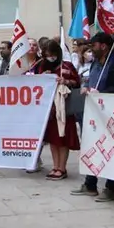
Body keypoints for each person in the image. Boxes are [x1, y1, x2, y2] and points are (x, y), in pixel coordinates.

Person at [71, 32, 114, 201]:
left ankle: (111, 188)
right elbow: (91, 82)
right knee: (93, 149)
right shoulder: (95, 65)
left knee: (111, 151)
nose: (91, 48)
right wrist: (86, 88)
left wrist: (103, 93)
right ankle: (90, 184)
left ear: (104, 46)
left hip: (112, 115)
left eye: (94, 45)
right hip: (95, 115)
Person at [34, 40, 80, 180]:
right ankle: (55, 166)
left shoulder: (67, 66)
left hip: (65, 109)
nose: (50, 57)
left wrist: (66, 81)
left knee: (63, 138)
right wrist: (43, 78)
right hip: (50, 111)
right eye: (47, 55)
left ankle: (62, 168)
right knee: (53, 140)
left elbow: (77, 82)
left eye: (53, 54)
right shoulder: (42, 67)